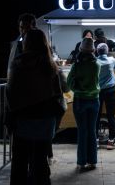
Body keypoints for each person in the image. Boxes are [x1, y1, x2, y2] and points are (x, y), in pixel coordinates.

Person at [7, 29, 59, 185]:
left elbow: (11, 92)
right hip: (45, 120)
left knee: (20, 164)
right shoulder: (50, 65)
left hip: (24, 119)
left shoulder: (18, 63)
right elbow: (57, 93)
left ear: (26, 44)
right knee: (40, 162)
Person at [67, 37, 101, 170]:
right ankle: (93, 161)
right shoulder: (97, 65)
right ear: (93, 50)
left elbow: (69, 84)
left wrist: (78, 89)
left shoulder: (76, 65)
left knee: (82, 131)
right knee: (92, 131)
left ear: (80, 49)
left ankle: (81, 162)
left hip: (80, 100)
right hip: (94, 100)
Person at [95, 43, 115, 150]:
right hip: (110, 91)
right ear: (107, 50)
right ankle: (111, 141)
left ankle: (96, 141)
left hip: (98, 92)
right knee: (111, 116)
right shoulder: (112, 60)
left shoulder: (94, 61)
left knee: (96, 116)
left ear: (97, 51)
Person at [7, 13, 37, 77]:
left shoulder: (39, 44)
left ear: (34, 28)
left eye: (27, 27)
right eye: (21, 27)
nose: (23, 31)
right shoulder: (18, 45)